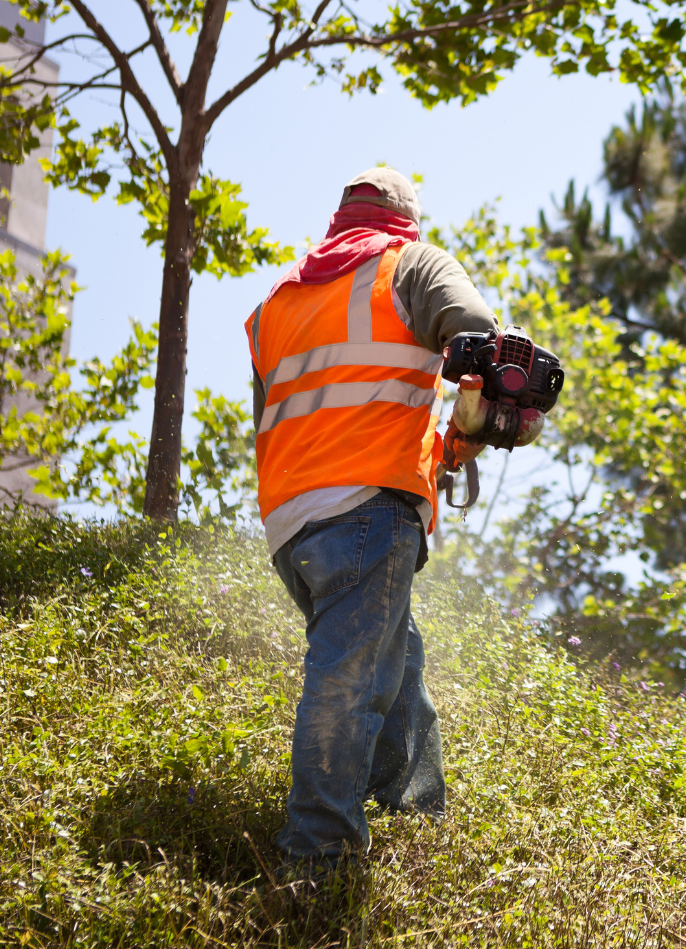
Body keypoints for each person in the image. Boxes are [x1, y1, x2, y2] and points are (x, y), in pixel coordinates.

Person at [245, 167, 494, 871]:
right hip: (367, 508)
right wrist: (471, 429)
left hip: (292, 522)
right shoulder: (412, 264)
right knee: (347, 680)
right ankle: (315, 859)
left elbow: (287, 412)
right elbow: (480, 343)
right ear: (403, 219)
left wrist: (439, 447)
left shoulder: (276, 298)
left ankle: (416, 815)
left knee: (392, 661)